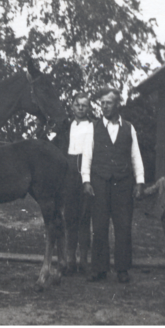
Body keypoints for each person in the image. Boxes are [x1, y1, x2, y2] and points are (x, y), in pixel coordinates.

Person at [83, 88, 144, 283]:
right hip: (99, 182)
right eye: (102, 103)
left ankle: (122, 269)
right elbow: (87, 155)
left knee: (123, 226)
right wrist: (86, 180)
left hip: (123, 183)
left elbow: (135, 156)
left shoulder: (129, 128)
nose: (104, 106)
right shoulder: (93, 128)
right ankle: (99, 269)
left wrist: (140, 182)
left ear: (118, 104)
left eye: (108, 102)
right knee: (99, 226)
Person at [63, 92, 94, 275]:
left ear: (89, 108)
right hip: (69, 174)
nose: (81, 108)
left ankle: (83, 260)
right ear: (72, 106)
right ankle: (69, 260)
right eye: (77, 105)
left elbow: (89, 153)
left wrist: (86, 178)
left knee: (84, 217)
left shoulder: (92, 126)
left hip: (85, 172)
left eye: (84, 105)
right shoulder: (68, 126)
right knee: (70, 217)